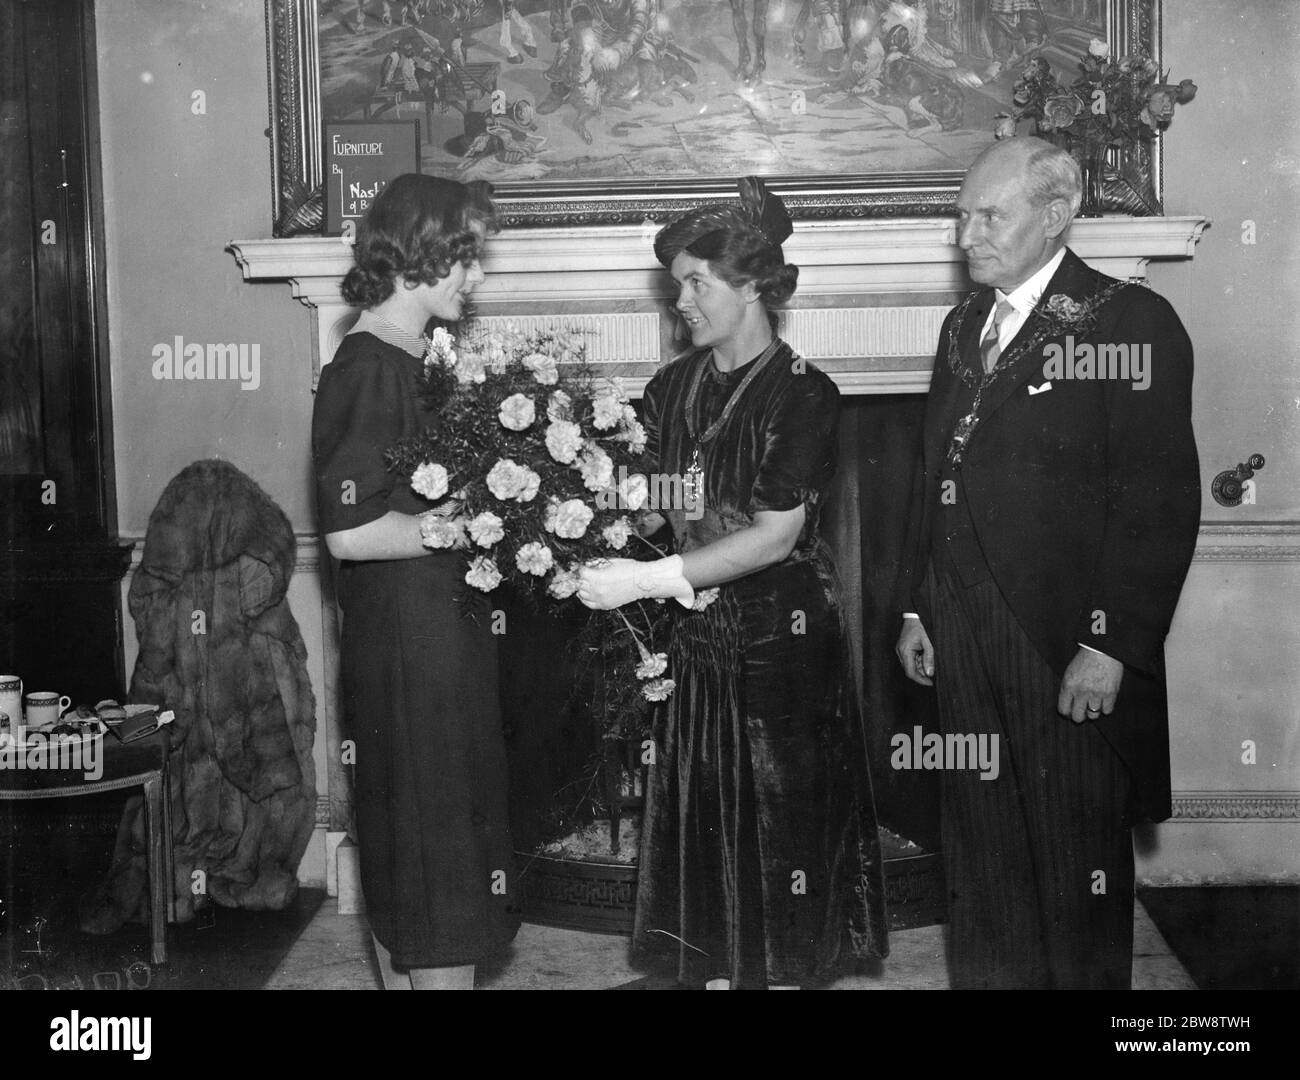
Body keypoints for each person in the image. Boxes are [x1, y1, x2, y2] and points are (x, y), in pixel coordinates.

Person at [894, 136, 1200, 989]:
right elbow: (935, 474)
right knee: (983, 858)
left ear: (1057, 215)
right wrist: (920, 607)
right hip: (961, 633)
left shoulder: (1129, 321)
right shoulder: (964, 326)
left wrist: (1110, 646)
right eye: (962, 216)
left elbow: (1158, 500)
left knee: (1074, 867)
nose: (966, 237)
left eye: (988, 216)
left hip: (1064, 642)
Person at [578, 177, 889, 989]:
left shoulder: (806, 394)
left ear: (753, 285)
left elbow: (772, 536)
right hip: (697, 644)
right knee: (703, 832)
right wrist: (583, 501)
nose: (680, 299)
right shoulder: (670, 389)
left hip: (779, 645)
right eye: (676, 281)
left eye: (696, 281)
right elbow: (658, 498)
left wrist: (651, 577)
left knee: (780, 835)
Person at [312, 174, 520, 990]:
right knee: (438, 869)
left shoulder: (412, 357)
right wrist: (475, 526)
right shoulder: (370, 368)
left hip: (431, 646)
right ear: (418, 257)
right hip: (412, 658)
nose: (476, 277)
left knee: (432, 860)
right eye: (465, 259)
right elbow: (350, 530)